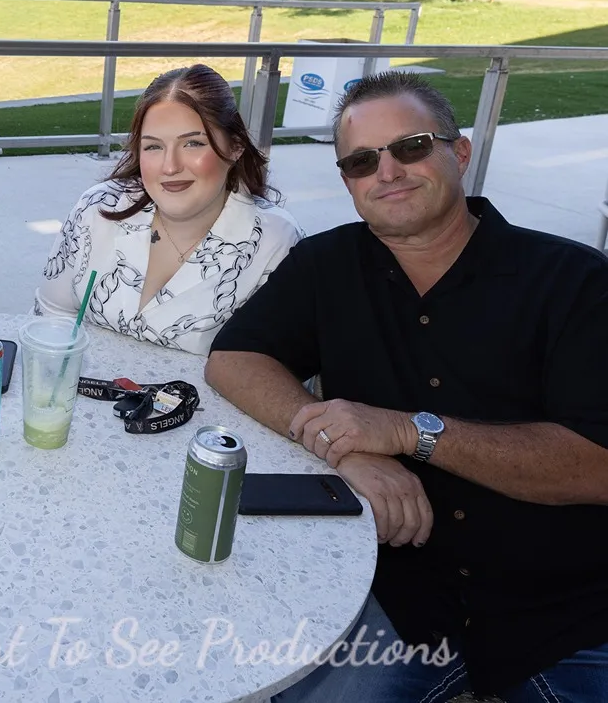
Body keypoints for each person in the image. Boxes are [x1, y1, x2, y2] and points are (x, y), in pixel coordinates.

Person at [206, 72, 608, 703]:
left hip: (568, 607)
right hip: (393, 596)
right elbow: (234, 359)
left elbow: (597, 467)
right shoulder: (327, 266)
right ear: (348, 182)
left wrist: (405, 432)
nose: (387, 171)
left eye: (411, 146)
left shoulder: (574, 282)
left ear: (460, 152)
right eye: (362, 161)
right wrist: (343, 446)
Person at [35, 63, 301, 356]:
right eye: (153, 147)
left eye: (193, 143)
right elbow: (51, 316)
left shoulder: (276, 244)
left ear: (235, 147)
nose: (170, 166)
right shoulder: (97, 209)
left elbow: (274, 368)